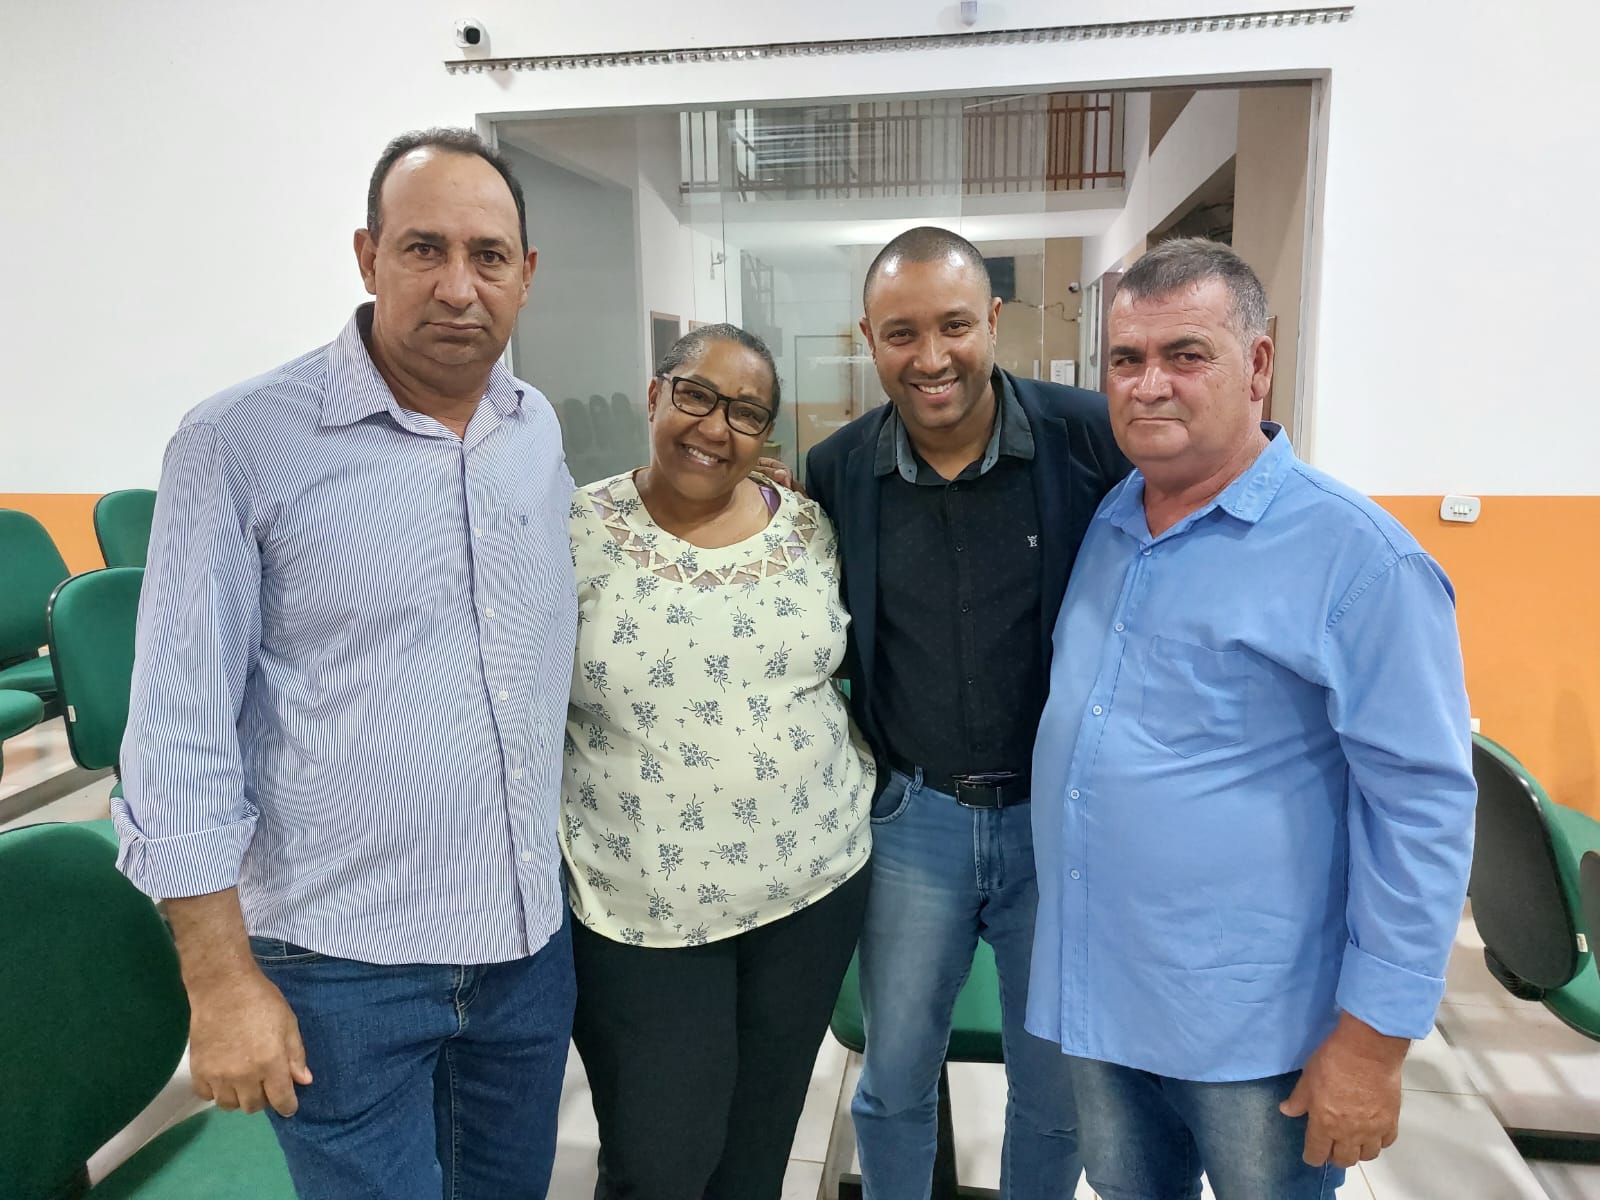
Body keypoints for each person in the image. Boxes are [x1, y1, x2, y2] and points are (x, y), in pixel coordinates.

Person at [115, 128, 577, 1200]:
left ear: (524, 275)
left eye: (487, 256)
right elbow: (177, 729)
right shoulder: (238, 442)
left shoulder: (533, 427)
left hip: (522, 949)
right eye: (423, 249)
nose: (458, 286)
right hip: (339, 967)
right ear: (368, 257)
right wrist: (220, 983)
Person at [1028, 237, 1476, 1199]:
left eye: (1186, 355)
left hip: (1253, 1029)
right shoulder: (1111, 520)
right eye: (1126, 359)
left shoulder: (1361, 560)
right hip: (1104, 995)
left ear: (1258, 364)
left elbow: (1424, 810)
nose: (1149, 385)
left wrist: (1374, 1043)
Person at [804, 226, 1130, 1200]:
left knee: (1056, 1092)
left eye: (953, 325)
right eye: (901, 333)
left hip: (1055, 821)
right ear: (869, 338)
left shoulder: (1089, 438)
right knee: (893, 1079)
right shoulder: (839, 468)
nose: (931, 357)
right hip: (915, 819)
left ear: (992, 320)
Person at [564, 324, 874, 1200]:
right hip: (645, 913)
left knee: (757, 1150)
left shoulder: (809, 527)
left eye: (746, 413)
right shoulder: (572, 529)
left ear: (766, 434)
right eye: (696, 395)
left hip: (813, 891)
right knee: (659, 1161)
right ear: (654, 394)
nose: (714, 427)